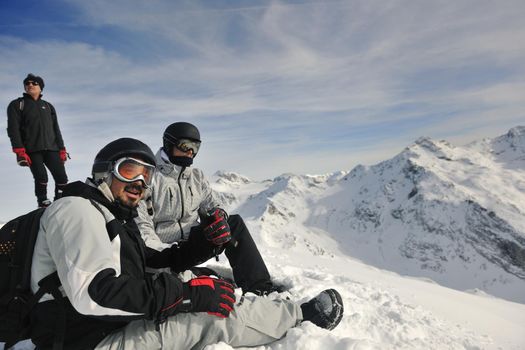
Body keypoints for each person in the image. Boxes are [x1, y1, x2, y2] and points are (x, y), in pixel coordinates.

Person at [29, 137, 344, 349]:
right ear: (103, 171)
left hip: (99, 327)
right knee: (211, 316)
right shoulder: (77, 209)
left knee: (197, 279)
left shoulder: (108, 214)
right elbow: (93, 297)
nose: (140, 183)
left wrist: (203, 245)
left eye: (147, 176)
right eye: (129, 171)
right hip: (88, 339)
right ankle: (301, 315)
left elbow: (150, 262)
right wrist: (186, 297)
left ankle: (257, 294)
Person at [136, 122, 280, 295]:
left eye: (196, 147)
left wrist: (218, 218)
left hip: (191, 242)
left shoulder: (196, 177)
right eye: (186, 145)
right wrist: (166, 255)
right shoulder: (149, 178)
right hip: (165, 253)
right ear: (169, 143)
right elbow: (142, 228)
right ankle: (181, 277)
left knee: (234, 224)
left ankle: (259, 287)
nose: (191, 151)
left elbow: (214, 204)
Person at [6, 73, 69, 208]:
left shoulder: (48, 106)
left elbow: (56, 129)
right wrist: (18, 149)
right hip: (32, 149)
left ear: (41, 87)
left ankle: (60, 199)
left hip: (52, 148)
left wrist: (62, 148)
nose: (30, 85)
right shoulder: (18, 104)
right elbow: (13, 128)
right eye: (27, 83)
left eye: (34, 83)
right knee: (41, 177)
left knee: (62, 178)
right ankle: (42, 201)